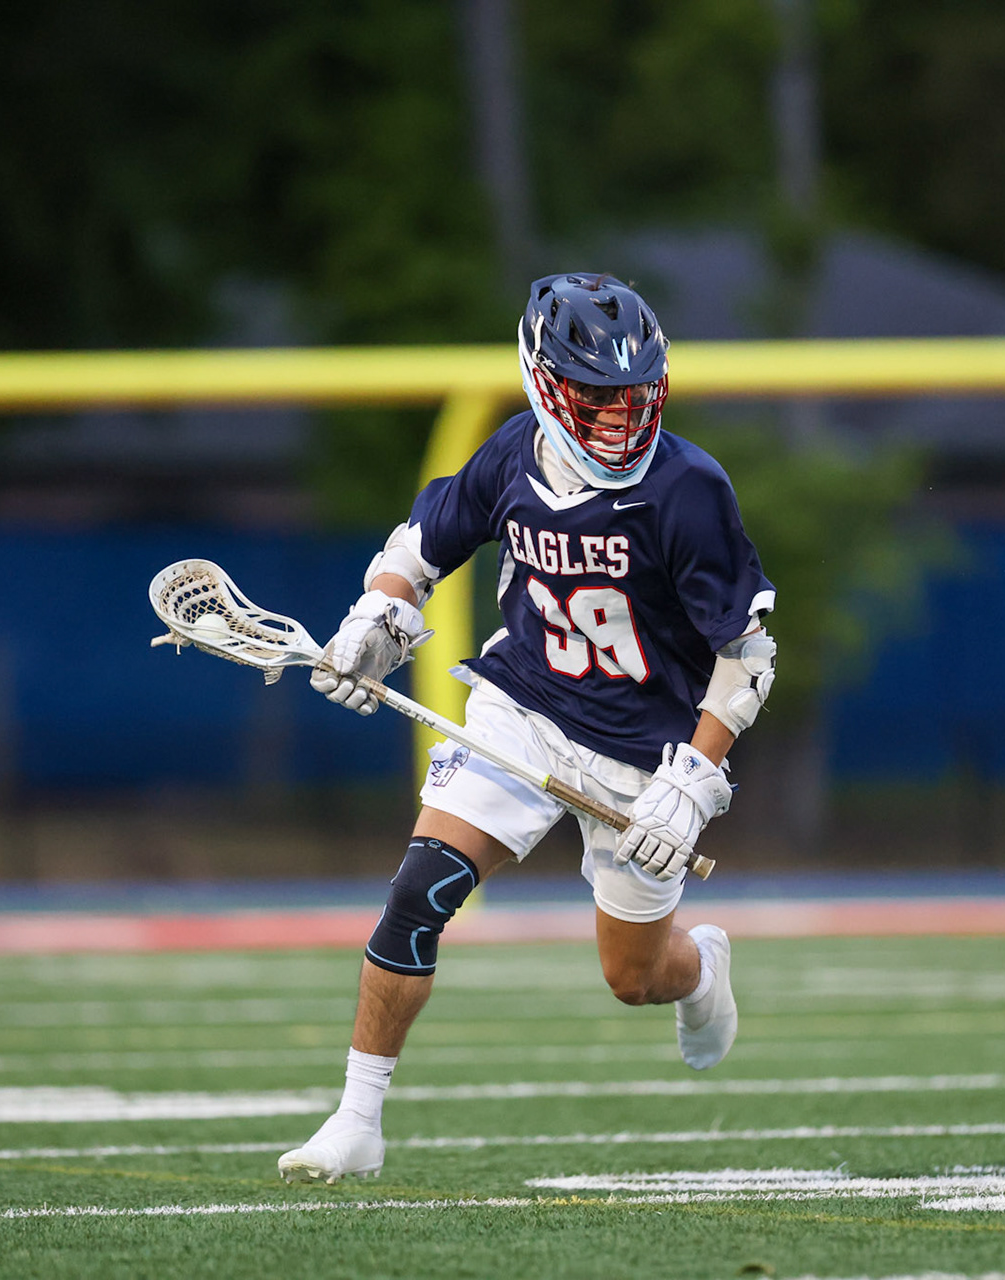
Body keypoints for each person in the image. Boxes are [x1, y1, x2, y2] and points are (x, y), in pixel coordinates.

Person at [277, 273, 777, 1184]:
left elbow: (747, 658)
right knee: (420, 890)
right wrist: (374, 621)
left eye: (633, 399)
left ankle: (700, 972)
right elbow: (418, 548)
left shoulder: (690, 489)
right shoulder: (512, 456)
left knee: (634, 977)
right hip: (526, 710)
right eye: (595, 400)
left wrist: (694, 781)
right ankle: (356, 1120)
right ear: (545, 384)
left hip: (643, 752)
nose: (620, 421)